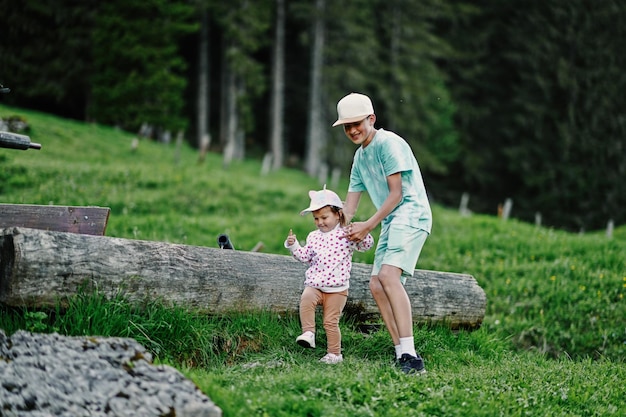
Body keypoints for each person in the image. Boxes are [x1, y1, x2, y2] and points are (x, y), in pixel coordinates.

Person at [332, 92, 433, 375]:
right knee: (376, 285)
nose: (352, 130)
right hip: (390, 220)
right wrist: (328, 219)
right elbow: (349, 209)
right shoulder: (360, 158)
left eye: (357, 123)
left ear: (371, 119)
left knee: (388, 277)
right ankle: (401, 353)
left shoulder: (388, 144)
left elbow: (396, 194)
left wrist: (367, 225)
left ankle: (412, 356)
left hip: (411, 213)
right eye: (347, 126)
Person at [285, 186, 374, 364]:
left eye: (324, 217)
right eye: (316, 218)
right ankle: (309, 333)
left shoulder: (346, 234)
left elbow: (366, 246)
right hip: (316, 285)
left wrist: (362, 233)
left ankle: (335, 354)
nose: (320, 222)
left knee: (330, 322)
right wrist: (293, 246)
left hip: (337, 289)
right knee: (306, 299)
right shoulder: (313, 237)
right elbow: (305, 257)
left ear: (337, 215)